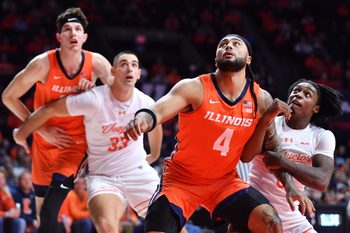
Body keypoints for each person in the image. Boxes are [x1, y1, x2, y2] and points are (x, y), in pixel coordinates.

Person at [123, 34, 291, 233]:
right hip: (181, 180)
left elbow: (251, 155)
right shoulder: (194, 87)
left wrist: (291, 186)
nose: (228, 46)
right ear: (216, 57)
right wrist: (142, 119)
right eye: (223, 44)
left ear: (248, 59)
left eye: (236, 44)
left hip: (224, 182)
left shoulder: (260, 98)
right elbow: (157, 111)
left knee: (271, 223)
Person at [12, 51, 163, 233]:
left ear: (139, 73)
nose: (129, 68)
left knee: (171, 226)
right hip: (103, 176)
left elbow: (156, 124)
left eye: (134, 65)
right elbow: (47, 110)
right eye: (123, 64)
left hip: (138, 174)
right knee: (106, 225)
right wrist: (22, 133)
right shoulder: (93, 98)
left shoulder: (145, 102)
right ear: (112, 72)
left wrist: (154, 154)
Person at [1, 7, 113, 233]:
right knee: (43, 212)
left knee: (51, 208)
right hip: (44, 142)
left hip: (76, 144)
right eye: (67, 29)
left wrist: (95, 92)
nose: (73, 33)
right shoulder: (42, 64)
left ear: (85, 37)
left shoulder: (97, 63)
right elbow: (8, 97)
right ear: (58, 37)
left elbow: (121, 97)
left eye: (78, 29)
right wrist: (39, 128)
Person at [243, 79, 343, 233]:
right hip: (257, 206)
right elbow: (246, 157)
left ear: (315, 108)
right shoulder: (271, 123)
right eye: (295, 91)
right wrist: (265, 120)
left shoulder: (321, 136)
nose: (298, 95)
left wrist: (283, 161)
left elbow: (322, 181)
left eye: (307, 94)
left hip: (290, 215)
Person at [0, 169, 26, 233]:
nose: (0, 180)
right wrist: (7, 214)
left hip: (4, 220)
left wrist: (8, 196)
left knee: (20, 221)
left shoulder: (4, 192)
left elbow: (13, 212)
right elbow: (9, 214)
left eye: (2, 178)